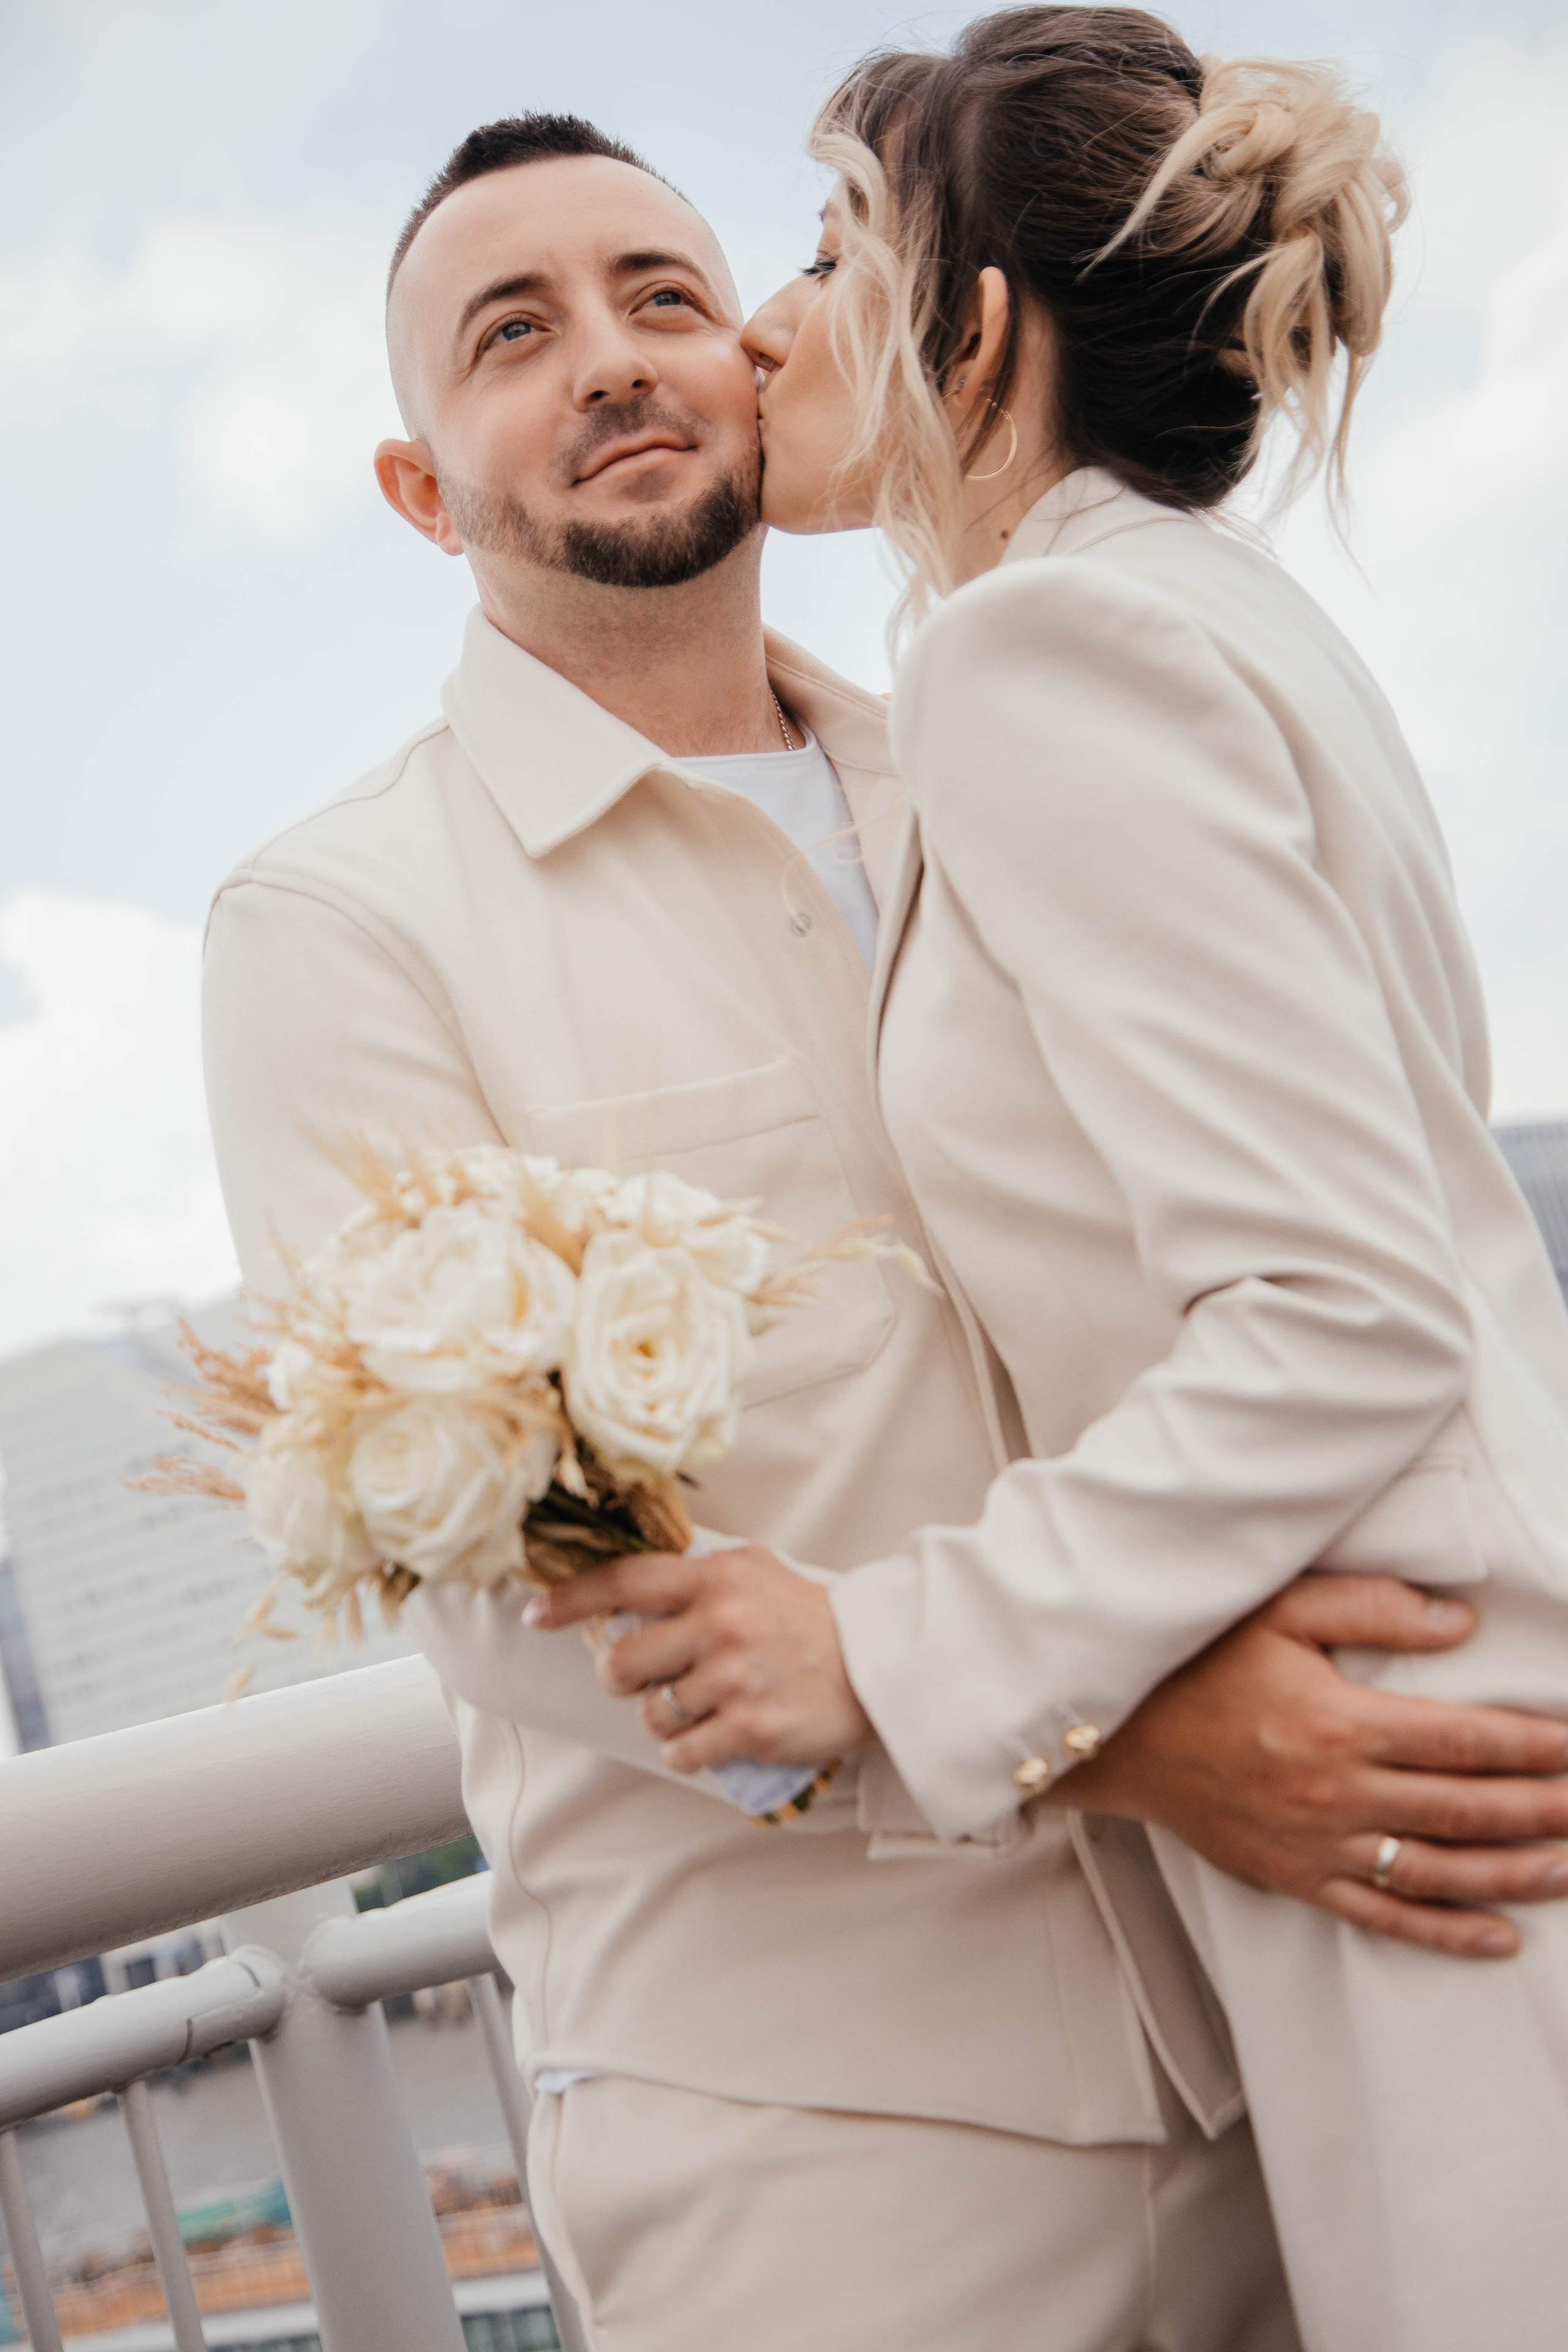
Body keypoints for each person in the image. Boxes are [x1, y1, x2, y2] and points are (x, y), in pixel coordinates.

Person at [202, 110, 1568, 2352]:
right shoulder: (337, 925)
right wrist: (1127, 1735)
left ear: (765, 357)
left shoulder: (1008, 715)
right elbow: (472, 1568)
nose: (620, 359)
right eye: (511, 333)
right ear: (418, 489)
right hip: (823, 2133)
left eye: (665, 294)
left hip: (1267, 2013)